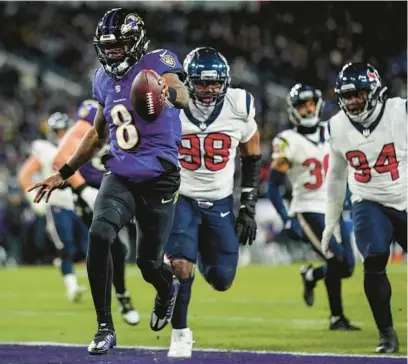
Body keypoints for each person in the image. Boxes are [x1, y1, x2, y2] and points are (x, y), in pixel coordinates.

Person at [28, 8, 189, 355]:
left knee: (148, 264)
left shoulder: (158, 62)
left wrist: (167, 93)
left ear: (136, 42)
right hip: (120, 172)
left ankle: (166, 291)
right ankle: (104, 327)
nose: (113, 52)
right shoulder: (101, 79)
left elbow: (183, 93)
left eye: (119, 45)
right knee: (100, 233)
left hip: (160, 175)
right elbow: (97, 133)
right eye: (108, 46)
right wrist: (65, 172)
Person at [165, 47, 261, 358]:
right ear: (187, 81)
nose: (208, 90)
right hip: (182, 197)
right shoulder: (171, 104)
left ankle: (199, 254)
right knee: (181, 265)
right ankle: (180, 333)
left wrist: (247, 204)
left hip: (219, 201)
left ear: (225, 82)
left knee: (222, 279)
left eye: (215, 83)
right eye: (202, 83)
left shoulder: (239, 104)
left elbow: (252, 153)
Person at [321, 62, 407, 353]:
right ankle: (386, 333)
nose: (353, 101)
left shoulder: (400, 112)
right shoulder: (336, 125)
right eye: (348, 96)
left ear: (374, 91)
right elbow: (335, 175)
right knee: (375, 256)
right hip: (368, 200)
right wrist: (331, 219)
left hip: (405, 197)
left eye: (358, 94)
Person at [267, 84, 359, 331]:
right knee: (337, 260)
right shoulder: (287, 140)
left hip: (333, 207)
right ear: (293, 109)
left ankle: (311, 276)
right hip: (308, 208)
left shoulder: (332, 132)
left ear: (317, 105)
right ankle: (336, 317)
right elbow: (273, 187)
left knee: (348, 266)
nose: (307, 109)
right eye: (302, 105)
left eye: (310, 104)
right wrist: (287, 218)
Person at [53, 98, 140, 326]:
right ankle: (117, 301)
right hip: (91, 196)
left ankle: (122, 295)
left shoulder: (129, 117)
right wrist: (83, 189)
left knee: (121, 248)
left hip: (115, 191)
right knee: (111, 248)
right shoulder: (90, 118)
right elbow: (59, 160)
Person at [18, 112, 87, 302]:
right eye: (58, 130)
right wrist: (34, 200)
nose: (61, 133)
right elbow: (25, 175)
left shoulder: (78, 144)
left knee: (90, 246)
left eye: (64, 129)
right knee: (66, 246)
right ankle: (72, 286)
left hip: (79, 201)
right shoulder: (44, 148)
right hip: (56, 202)